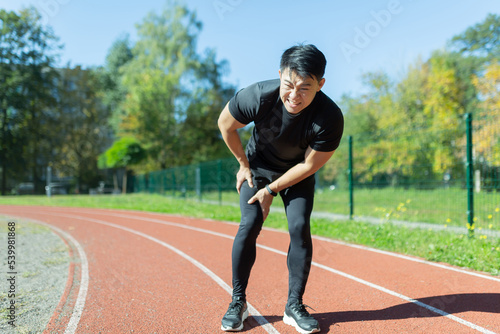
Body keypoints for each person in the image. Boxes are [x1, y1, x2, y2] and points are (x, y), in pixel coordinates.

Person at [217, 44, 344, 333]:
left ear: (320, 85)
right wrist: (243, 165)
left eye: (305, 88)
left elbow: (310, 166)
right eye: (289, 85)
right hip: (258, 168)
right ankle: (238, 302)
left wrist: (272, 190)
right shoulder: (259, 96)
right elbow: (225, 125)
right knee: (249, 225)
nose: (294, 96)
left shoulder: (329, 117)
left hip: (296, 174)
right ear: (280, 75)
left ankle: (294, 305)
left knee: (299, 226)